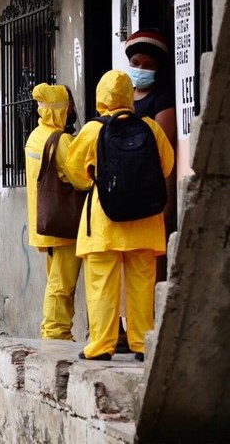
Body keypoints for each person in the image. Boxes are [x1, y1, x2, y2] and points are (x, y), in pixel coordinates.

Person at [65, 70, 174, 362]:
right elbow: (166, 166)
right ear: (129, 96)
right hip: (145, 222)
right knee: (141, 284)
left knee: (102, 284)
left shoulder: (92, 130)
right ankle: (141, 343)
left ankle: (101, 345)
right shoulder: (150, 128)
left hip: (105, 221)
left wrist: (95, 181)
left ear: (101, 97)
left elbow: (75, 173)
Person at [120, 30, 177, 352]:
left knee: (149, 261)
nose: (139, 68)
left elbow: (162, 145)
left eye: (146, 63)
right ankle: (127, 328)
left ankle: (146, 328)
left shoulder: (163, 98)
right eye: (135, 62)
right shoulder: (124, 95)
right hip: (124, 191)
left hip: (153, 188)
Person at [24, 83, 83, 340]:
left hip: (45, 220)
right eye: (68, 106)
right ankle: (55, 332)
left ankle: (54, 329)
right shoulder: (61, 141)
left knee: (55, 280)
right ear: (62, 109)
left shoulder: (35, 136)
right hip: (64, 224)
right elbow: (82, 178)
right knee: (62, 283)